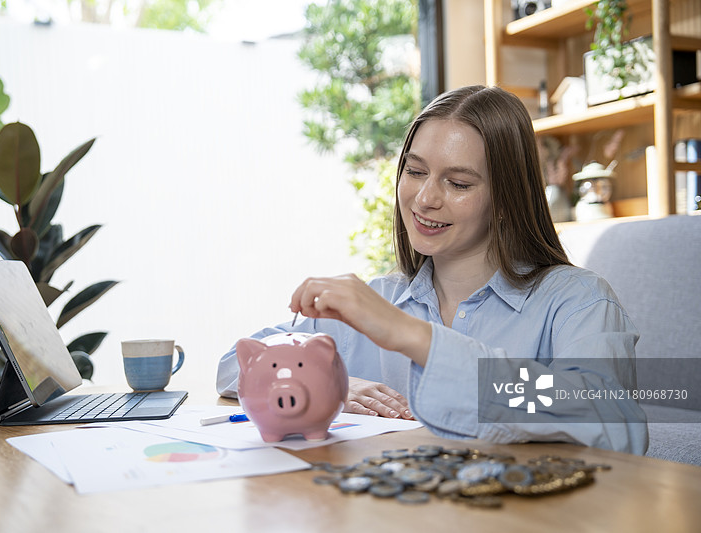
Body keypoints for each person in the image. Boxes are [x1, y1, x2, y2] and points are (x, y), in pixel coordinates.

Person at [216, 85, 648, 454]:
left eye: (458, 183)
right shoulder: (379, 297)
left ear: (506, 199)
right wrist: (333, 386)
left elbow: (611, 420)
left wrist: (414, 337)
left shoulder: (577, 301)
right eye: (415, 171)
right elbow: (234, 365)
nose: (424, 198)